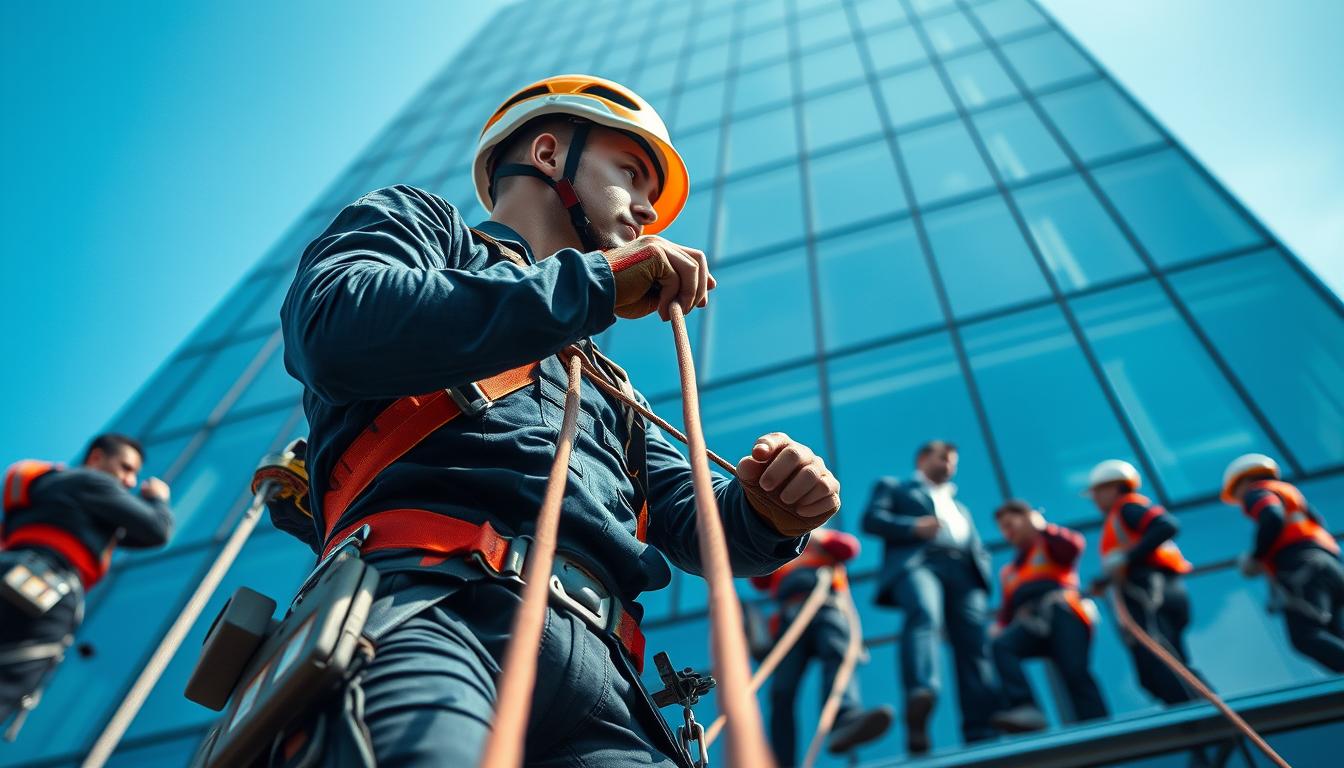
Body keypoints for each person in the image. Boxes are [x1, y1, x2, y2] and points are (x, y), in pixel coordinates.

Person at [278, 74, 841, 766]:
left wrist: (770, 511)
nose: (644, 210)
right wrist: (597, 283)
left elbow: (700, 528)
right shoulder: (424, 226)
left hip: (607, 688)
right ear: (549, 154)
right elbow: (339, 325)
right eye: (630, 175)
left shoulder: (608, 381)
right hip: (429, 614)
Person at [1, 434, 172, 732]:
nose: (131, 481)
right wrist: (158, 499)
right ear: (96, 459)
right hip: (46, 585)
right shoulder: (92, 483)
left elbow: (126, 532)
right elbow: (155, 530)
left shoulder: (52, 490)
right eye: (126, 468)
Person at [862, 440, 998, 754]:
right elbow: (871, 520)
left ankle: (982, 729)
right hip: (921, 563)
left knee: (973, 643)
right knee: (923, 614)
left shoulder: (959, 506)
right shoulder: (895, 486)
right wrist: (913, 527)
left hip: (963, 572)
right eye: (944, 459)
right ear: (923, 458)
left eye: (953, 462)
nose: (950, 466)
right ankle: (921, 694)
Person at [750, 528, 893, 765]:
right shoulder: (781, 549)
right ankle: (779, 759)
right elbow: (759, 578)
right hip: (790, 619)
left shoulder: (822, 540)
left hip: (827, 607)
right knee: (782, 690)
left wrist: (815, 533)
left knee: (836, 655)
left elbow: (849, 548)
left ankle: (844, 718)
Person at [1086, 459, 1201, 705]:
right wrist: (1105, 580)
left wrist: (1127, 558)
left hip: (1149, 589)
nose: (1094, 499)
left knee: (1158, 659)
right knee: (1154, 671)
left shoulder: (1128, 509)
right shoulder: (1121, 519)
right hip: (1158, 588)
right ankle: (1196, 711)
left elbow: (1166, 525)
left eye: (1097, 492)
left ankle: (1200, 714)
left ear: (1114, 487)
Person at [989, 500, 1106, 733]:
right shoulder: (1009, 572)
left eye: (1010, 524)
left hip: (1063, 614)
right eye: (1003, 528)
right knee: (1002, 646)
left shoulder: (1049, 544)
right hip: (1032, 623)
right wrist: (1000, 626)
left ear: (1027, 518)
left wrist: (1043, 528)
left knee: (1074, 673)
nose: (1007, 532)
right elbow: (1007, 611)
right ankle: (1025, 708)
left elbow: (1073, 547)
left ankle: (1097, 726)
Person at [1223, 454, 1344, 672]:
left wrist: (1257, 557)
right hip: (1330, 566)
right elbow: (1318, 526)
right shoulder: (1292, 496)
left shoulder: (1257, 492)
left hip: (1302, 567)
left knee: (1306, 636)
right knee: (1335, 635)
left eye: (1236, 493)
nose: (1240, 499)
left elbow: (1271, 517)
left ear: (1243, 482)